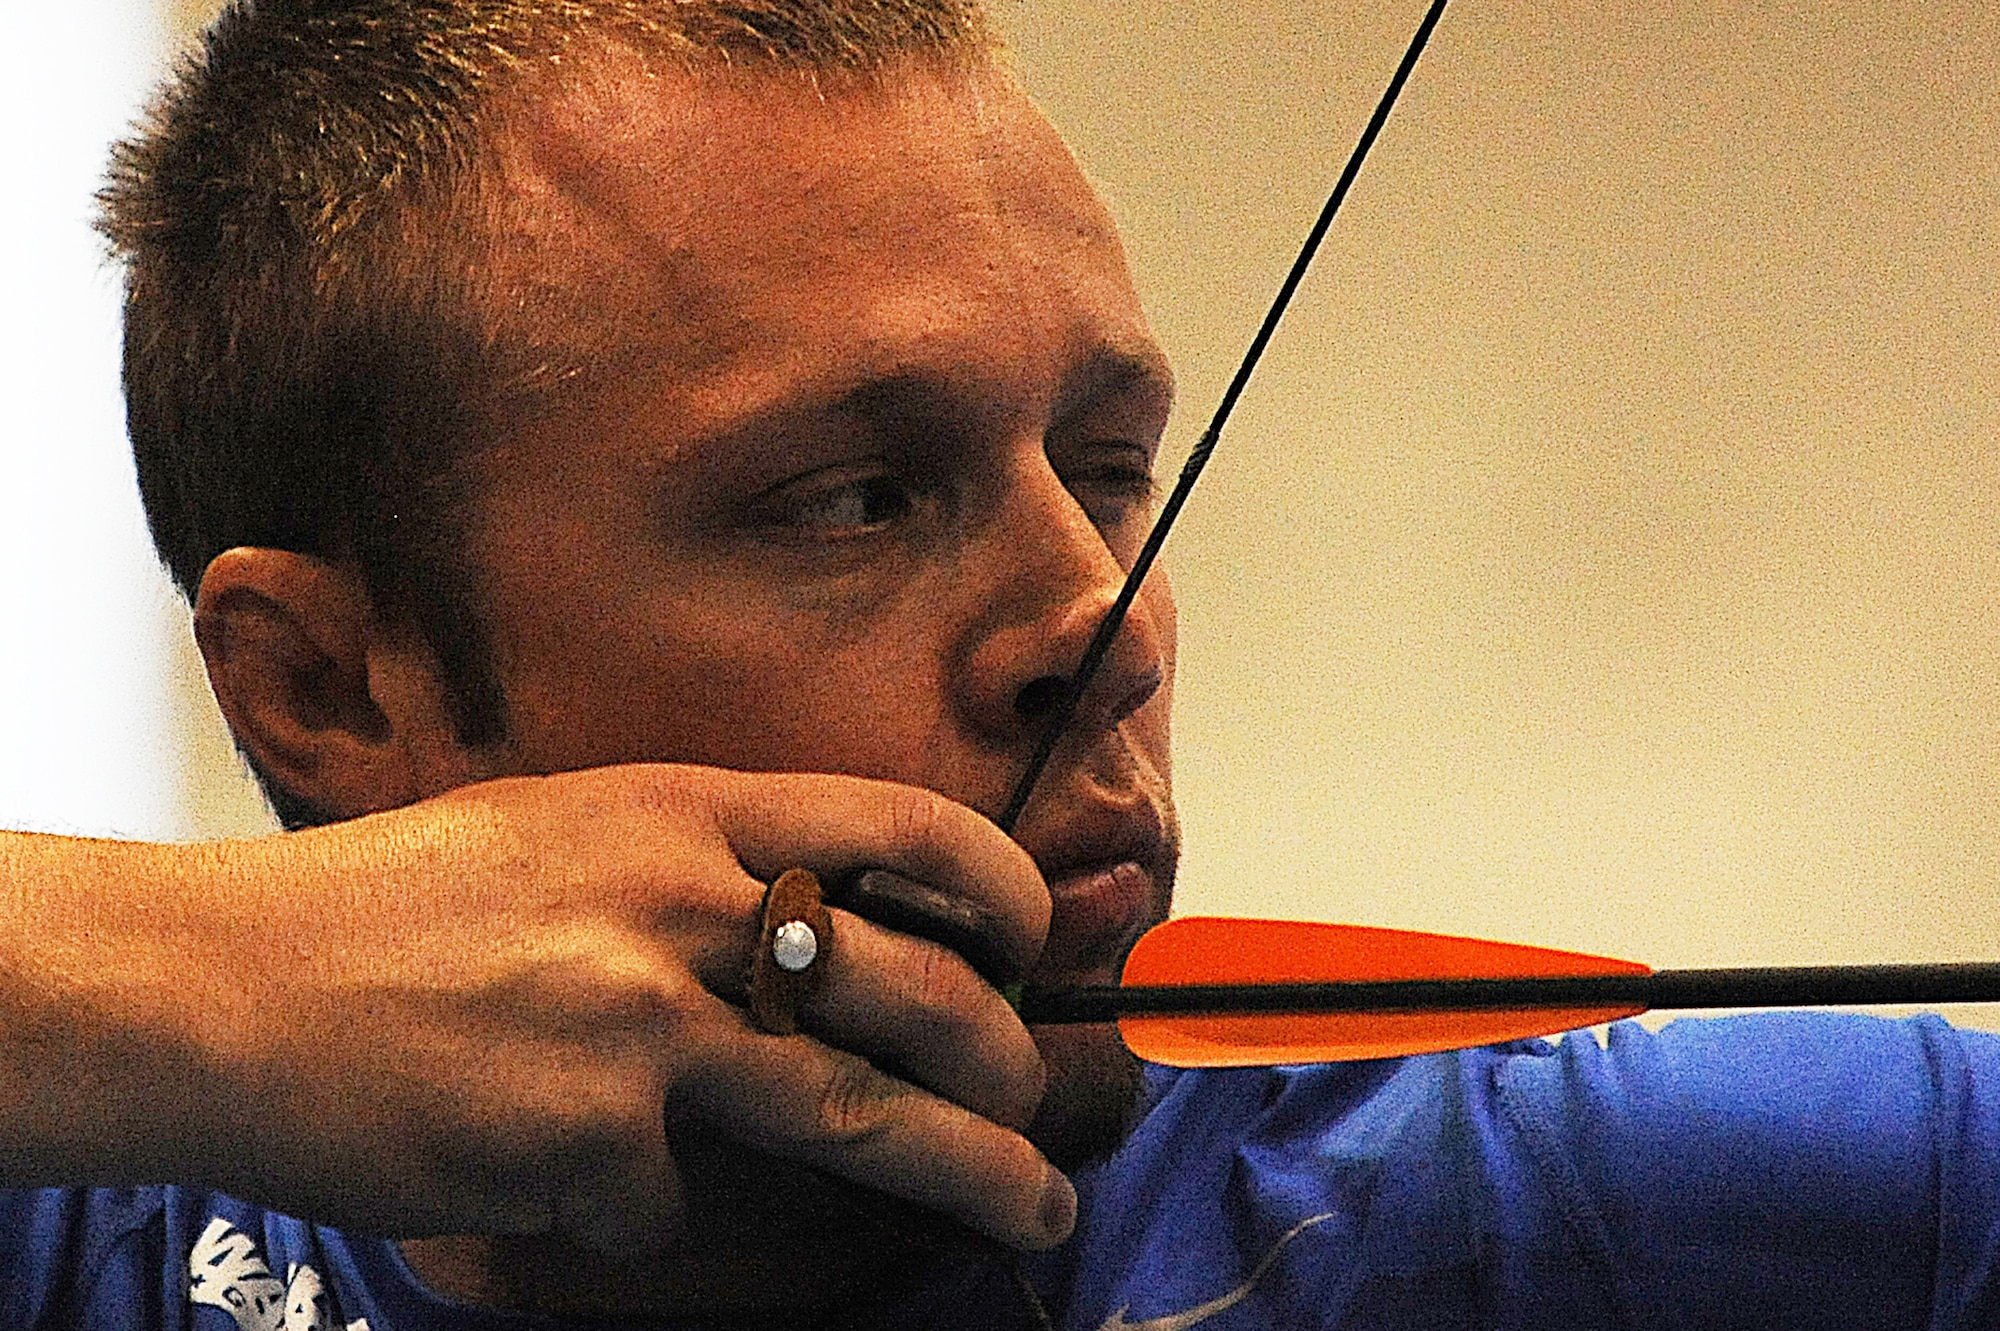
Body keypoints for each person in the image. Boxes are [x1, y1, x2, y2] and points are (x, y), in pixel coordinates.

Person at [3, 0, 2000, 1327]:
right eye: (853, 499)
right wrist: (211, 977)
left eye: (1109, 468)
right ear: (334, 697)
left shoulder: (1513, 1213)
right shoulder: (87, 1226)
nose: (1104, 623)